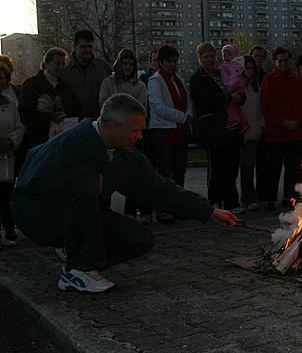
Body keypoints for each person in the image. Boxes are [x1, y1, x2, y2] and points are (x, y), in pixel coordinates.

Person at [11, 93, 238, 293]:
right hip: (37, 215)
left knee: (139, 240)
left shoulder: (126, 155)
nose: (140, 137)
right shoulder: (71, 142)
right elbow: (29, 183)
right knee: (85, 178)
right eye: (134, 130)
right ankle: (77, 269)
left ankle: (74, 250)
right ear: (112, 126)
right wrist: (81, 178)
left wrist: (208, 212)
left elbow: (160, 189)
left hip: (79, 215)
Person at [189, 42, 245, 214]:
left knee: (232, 166)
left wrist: (239, 97)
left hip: (231, 127)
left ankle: (231, 201)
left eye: (212, 56)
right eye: (205, 57)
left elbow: (239, 90)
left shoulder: (223, 72)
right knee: (217, 166)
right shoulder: (197, 78)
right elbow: (205, 100)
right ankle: (214, 201)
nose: (209, 60)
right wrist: (228, 97)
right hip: (213, 128)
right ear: (199, 58)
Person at [99, 48, 151, 224]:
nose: (128, 67)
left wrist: (122, 108)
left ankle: (132, 209)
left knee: (134, 172)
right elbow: (104, 105)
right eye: (125, 64)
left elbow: (141, 108)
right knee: (107, 173)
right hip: (112, 134)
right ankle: (104, 211)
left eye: (131, 64)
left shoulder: (140, 85)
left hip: (132, 133)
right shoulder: (108, 82)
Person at [147, 45, 193, 223]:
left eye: (174, 61)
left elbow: (188, 100)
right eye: (168, 61)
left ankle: (177, 205)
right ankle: (163, 208)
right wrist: (183, 117)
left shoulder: (178, 79)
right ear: (161, 62)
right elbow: (159, 107)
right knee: (164, 172)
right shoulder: (155, 81)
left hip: (179, 129)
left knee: (179, 170)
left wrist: (188, 115)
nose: (172, 64)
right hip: (163, 130)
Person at [260, 46, 302, 208]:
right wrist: (283, 121)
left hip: (296, 132)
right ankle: (270, 198)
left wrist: (297, 121)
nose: (283, 64)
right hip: (276, 133)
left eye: (286, 61)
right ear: (275, 61)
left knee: (293, 167)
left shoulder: (297, 80)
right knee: (273, 168)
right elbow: (267, 106)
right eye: (280, 61)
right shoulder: (268, 80)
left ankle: (290, 196)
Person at [20, 47, 81, 148]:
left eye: (63, 64)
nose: (61, 67)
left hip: (64, 139)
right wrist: (49, 118)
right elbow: (25, 114)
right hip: (41, 141)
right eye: (57, 63)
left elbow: (76, 109)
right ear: (47, 63)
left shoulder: (66, 86)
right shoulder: (32, 85)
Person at [60, 29, 111, 119]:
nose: (88, 50)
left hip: (99, 120)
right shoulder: (64, 69)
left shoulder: (103, 67)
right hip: (73, 121)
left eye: (90, 46)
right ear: (74, 46)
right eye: (83, 47)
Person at [0, 63, 24, 247]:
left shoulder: (10, 104)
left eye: (1, 78)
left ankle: (8, 228)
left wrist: (10, 141)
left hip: (6, 155)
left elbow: (19, 127)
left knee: (6, 193)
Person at [239, 55, 263, 211]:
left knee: (249, 166)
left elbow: (261, 109)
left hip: (253, 132)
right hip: (239, 133)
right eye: (247, 68)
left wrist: (260, 126)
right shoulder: (237, 88)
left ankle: (249, 197)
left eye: (253, 68)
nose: (251, 71)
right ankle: (243, 198)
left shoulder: (257, 89)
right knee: (242, 167)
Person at [248, 45, 270, 208]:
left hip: (262, 125)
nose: (258, 59)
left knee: (263, 162)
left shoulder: (265, 77)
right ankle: (249, 196)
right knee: (247, 164)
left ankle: (263, 192)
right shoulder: (244, 77)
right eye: (255, 56)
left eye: (261, 56)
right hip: (247, 126)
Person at [220, 44, 249, 133]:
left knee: (230, 107)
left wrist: (230, 86)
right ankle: (243, 123)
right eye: (224, 55)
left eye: (229, 55)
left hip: (234, 88)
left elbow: (235, 76)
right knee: (236, 108)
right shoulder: (226, 65)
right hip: (231, 88)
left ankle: (233, 121)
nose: (226, 57)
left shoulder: (235, 65)